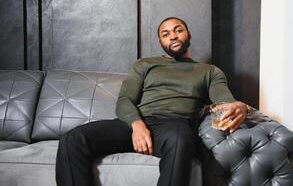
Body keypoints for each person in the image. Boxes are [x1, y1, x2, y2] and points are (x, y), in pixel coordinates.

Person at [55, 17, 250, 186]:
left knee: (181, 140)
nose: (172, 36)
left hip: (174, 126)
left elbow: (225, 103)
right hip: (136, 124)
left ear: (188, 34)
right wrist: (137, 126)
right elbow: (125, 100)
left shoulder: (209, 71)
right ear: (161, 41)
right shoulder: (145, 64)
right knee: (72, 138)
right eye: (165, 34)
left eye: (178, 30)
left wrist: (241, 106)